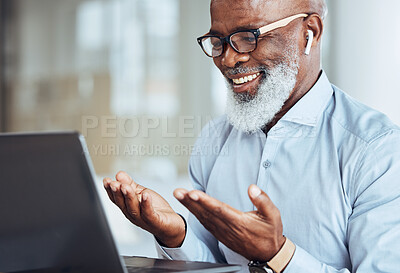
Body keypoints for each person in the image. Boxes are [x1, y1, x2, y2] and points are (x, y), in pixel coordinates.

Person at [103, 0, 400, 272]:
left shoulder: (376, 151)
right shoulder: (215, 139)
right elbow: (213, 267)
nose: (228, 60)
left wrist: (280, 255)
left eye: (249, 37)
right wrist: (175, 235)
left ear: (309, 32)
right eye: (218, 42)